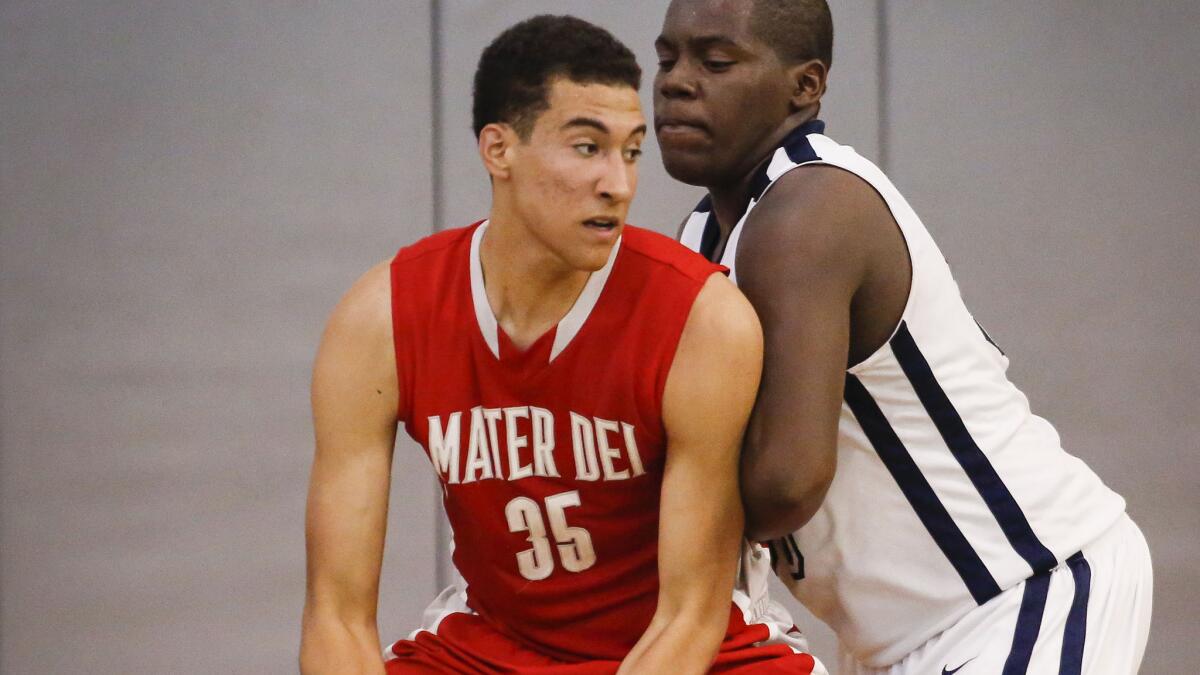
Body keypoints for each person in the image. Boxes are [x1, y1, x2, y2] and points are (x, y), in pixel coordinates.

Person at [301, 14, 824, 675]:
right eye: (586, 147)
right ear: (499, 150)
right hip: (492, 647)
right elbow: (336, 613)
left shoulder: (701, 320)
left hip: (698, 653)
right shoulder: (382, 317)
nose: (619, 183)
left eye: (631, 151)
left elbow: (689, 615)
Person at [653, 1, 1153, 674]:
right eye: (665, 59)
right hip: (898, 637)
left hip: (1019, 594)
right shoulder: (701, 236)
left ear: (805, 85)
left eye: (715, 62)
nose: (677, 81)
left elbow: (786, 480)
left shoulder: (809, 209)